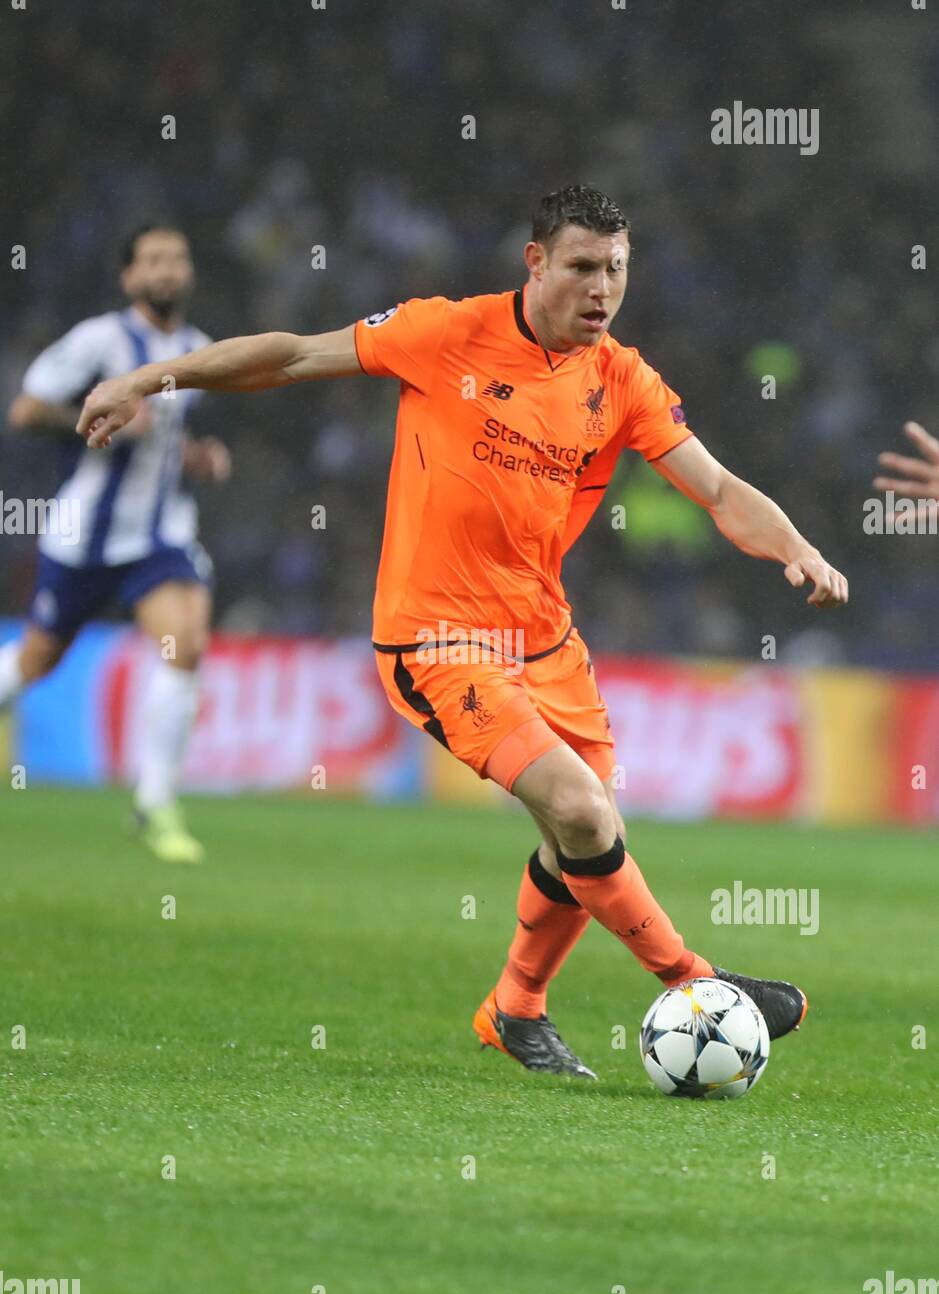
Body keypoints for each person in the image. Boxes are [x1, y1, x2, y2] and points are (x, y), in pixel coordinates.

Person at [75, 186, 849, 1075]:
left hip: (545, 639)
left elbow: (716, 489)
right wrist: (147, 377)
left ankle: (515, 1010)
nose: (601, 290)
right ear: (535, 262)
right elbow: (290, 357)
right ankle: (701, 982)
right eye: (582, 268)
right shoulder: (446, 333)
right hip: (436, 639)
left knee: (580, 835)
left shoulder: (621, 380)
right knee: (582, 809)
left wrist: (793, 546)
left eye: (616, 272)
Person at [1, 223, 230, 863]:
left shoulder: (197, 350)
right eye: (152, 261)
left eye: (177, 259)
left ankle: (155, 803)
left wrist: (199, 458)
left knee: (184, 642)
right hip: (83, 538)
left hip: (158, 536)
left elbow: (168, 439)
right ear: (129, 277)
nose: (167, 270)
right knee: (37, 661)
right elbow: (26, 410)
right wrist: (98, 420)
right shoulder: (99, 341)